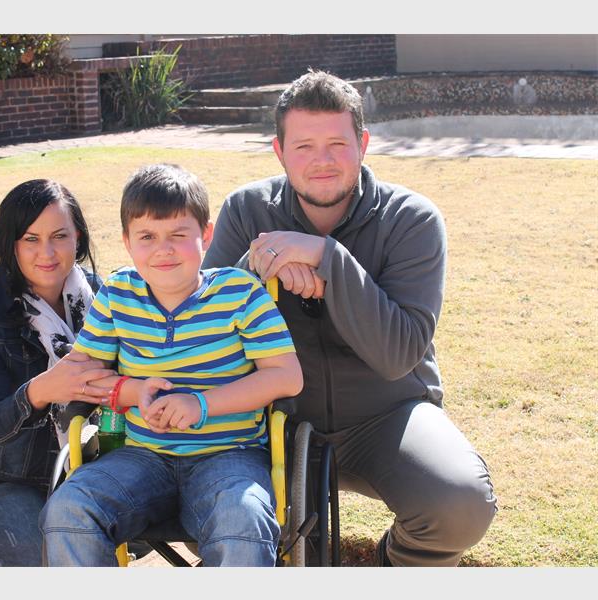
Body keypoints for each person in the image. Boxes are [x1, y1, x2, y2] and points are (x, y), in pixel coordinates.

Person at [202, 70, 498, 567]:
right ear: (279, 151)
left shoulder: (412, 219)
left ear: (363, 144)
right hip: (271, 420)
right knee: (216, 509)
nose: (322, 160)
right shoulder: (246, 211)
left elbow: (398, 355)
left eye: (338, 144)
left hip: (387, 416)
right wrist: (255, 267)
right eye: (304, 146)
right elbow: (206, 333)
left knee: (460, 505)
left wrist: (328, 260)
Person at [40, 163, 304, 567]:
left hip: (229, 455)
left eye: (179, 235)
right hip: (140, 456)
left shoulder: (240, 293)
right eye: (147, 236)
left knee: (244, 518)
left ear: (206, 235)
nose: (163, 249)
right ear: (127, 242)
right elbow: (79, 373)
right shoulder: (117, 295)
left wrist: (201, 404)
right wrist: (132, 391)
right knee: (68, 510)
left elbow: (287, 376)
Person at [0, 179, 117, 566]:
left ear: (78, 237)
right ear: (11, 243)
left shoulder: (105, 297)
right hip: (3, 484)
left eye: (60, 236)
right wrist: (43, 390)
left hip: (91, 472)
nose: (47, 252)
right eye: (31, 239)